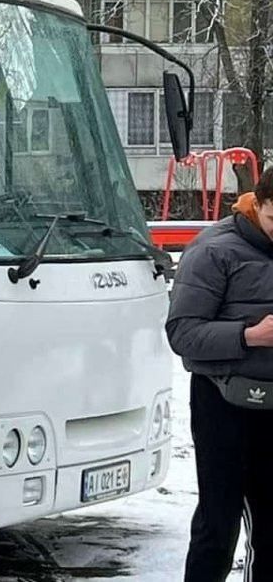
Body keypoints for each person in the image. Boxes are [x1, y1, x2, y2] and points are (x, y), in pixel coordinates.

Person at [167, 167, 273, 582]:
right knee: (219, 521)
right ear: (257, 204)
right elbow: (182, 333)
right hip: (224, 404)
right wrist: (250, 335)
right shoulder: (214, 251)